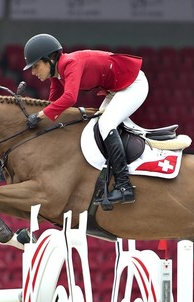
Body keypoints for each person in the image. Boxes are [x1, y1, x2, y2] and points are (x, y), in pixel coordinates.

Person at [22, 34, 149, 205]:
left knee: (106, 124)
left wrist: (39, 116)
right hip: (117, 90)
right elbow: (51, 102)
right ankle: (107, 180)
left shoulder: (71, 64)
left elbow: (69, 98)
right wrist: (37, 116)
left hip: (133, 85)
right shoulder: (57, 74)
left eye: (36, 66)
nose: (33, 72)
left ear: (50, 59)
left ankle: (124, 186)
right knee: (97, 126)